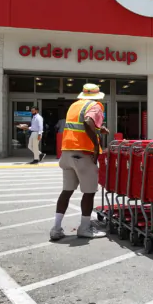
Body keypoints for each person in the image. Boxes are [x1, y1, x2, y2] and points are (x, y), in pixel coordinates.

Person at [50, 84, 110, 240]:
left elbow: (80, 125)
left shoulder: (75, 105)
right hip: (83, 153)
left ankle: (56, 228)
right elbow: (88, 121)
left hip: (67, 152)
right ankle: (84, 228)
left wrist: (99, 129)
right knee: (89, 192)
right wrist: (96, 146)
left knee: (67, 191)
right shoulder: (95, 106)